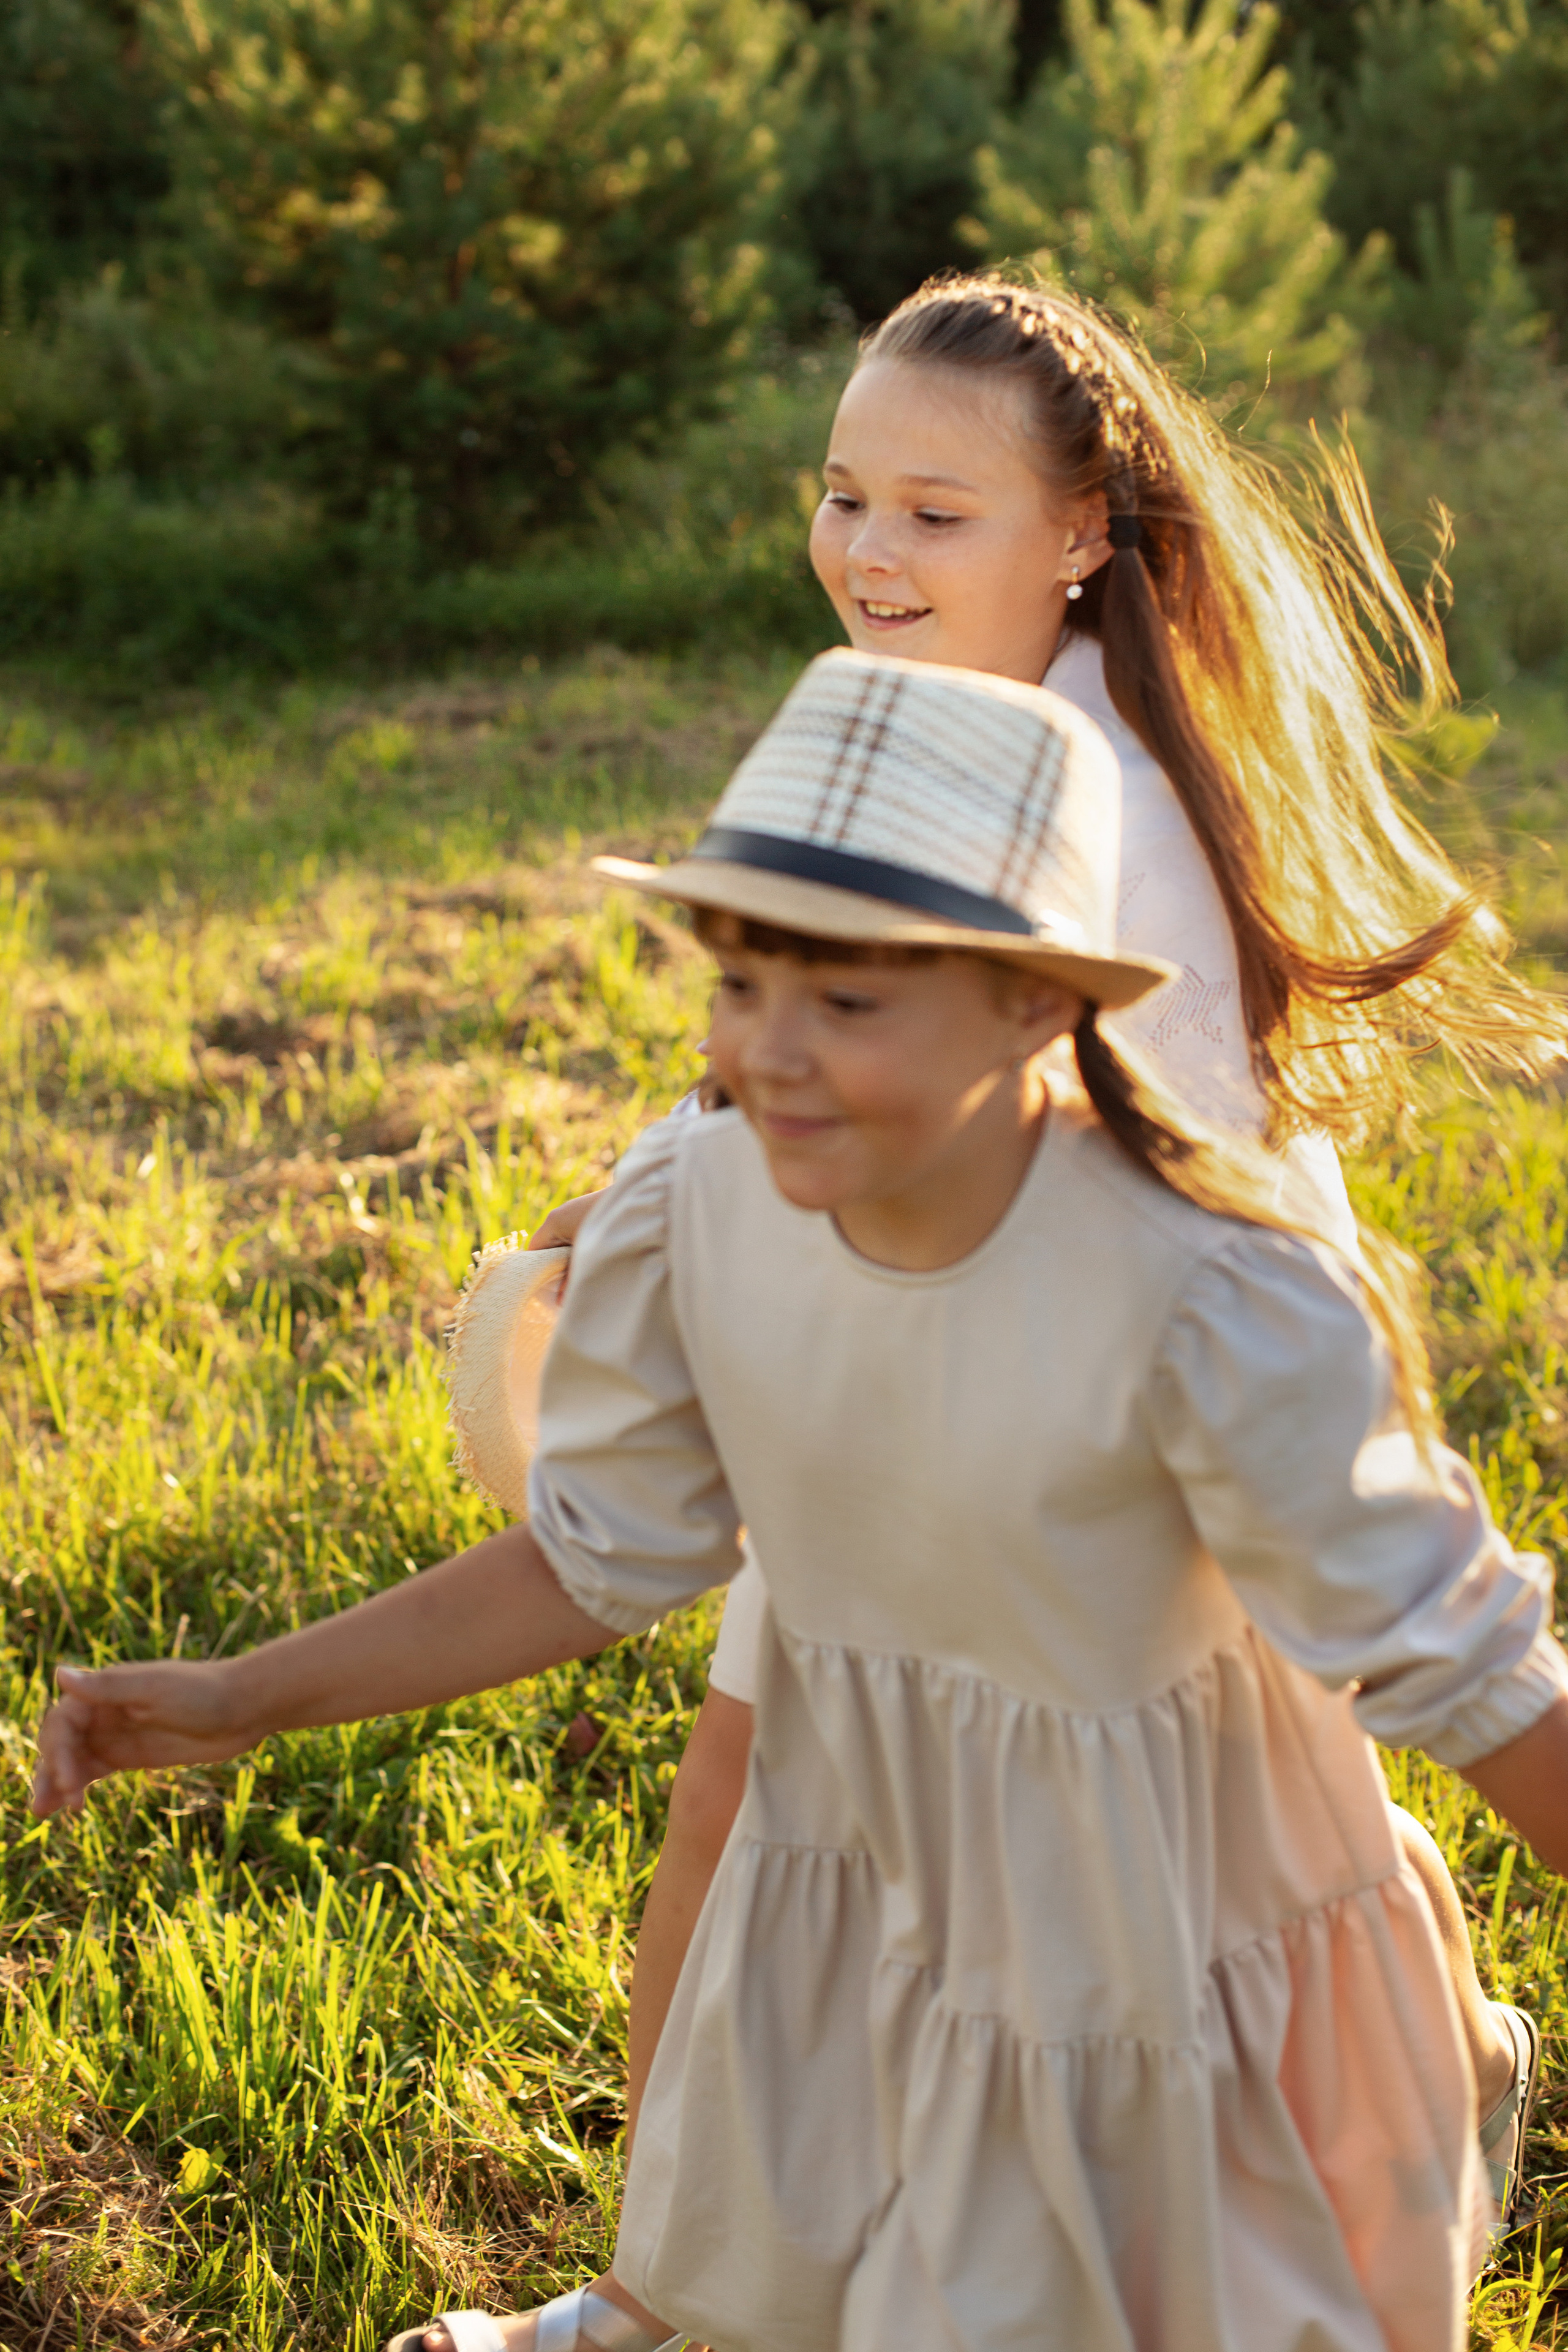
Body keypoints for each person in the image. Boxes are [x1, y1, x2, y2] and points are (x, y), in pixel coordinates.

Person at [34, 649, 1568, 2352]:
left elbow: (1470, 1667)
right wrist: (247, 1695)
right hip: (868, 1892)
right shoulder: (698, 1205)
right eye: (743, 983)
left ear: (1036, 1006)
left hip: (1156, 1953)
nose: (770, 1053)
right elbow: (591, 1557)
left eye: (847, 1003)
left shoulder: (1208, 1295)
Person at [505, 269, 1563, 2345]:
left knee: (1137, 1876)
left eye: (934, 510)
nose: (869, 551)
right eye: (843, 495)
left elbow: (1115, 1170)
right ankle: (682, 2289)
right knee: (866, 1836)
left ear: (1079, 533)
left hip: (1095, 1388)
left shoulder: (1115, 814)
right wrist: (645, 1210)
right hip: (886, 1330)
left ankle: (675, 2304)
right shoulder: (910, 726)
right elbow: (822, 1046)